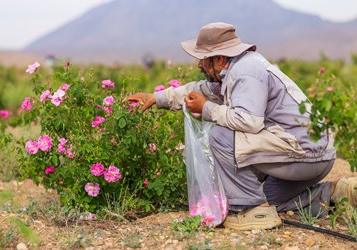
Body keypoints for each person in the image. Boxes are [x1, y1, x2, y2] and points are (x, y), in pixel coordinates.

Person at [127, 22, 357, 230]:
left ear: (218, 59)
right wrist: (157, 98)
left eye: (203, 58)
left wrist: (207, 108)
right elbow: (200, 90)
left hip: (305, 154)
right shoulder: (232, 71)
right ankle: (338, 193)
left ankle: (249, 211)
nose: (199, 64)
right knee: (271, 200)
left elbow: (248, 121)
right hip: (310, 154)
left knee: (222, 136)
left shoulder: (246, 72)